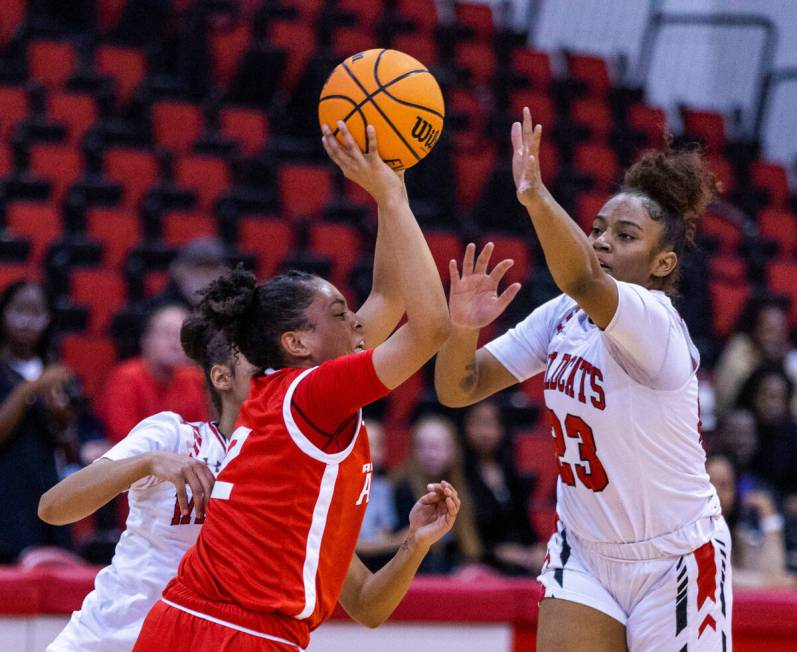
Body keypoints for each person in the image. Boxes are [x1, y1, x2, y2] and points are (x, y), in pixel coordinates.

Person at [133, 122, 456, 652]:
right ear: (298, 342)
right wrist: (392, 196)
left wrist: (389, 179)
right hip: (232, 632)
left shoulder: (290, 400)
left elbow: (390, 293)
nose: (357, 321)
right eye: (338, 312)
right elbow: (431, 329)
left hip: (219, 627)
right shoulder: (309, 395)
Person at [434, 108, 730, 651]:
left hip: (676, 555)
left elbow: (580, 274)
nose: (600, 241)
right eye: (596, 230)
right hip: (586, 550)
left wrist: (534, 196)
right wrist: (461, 328)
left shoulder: (655, 320)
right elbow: (460, 387)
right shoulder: (563, 317)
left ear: (663, 263)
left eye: (624, 235)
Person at [39, 327, 255, 651]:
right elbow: (53, 507)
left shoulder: (282, 462)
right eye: (261, 371)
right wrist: (145, 463)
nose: (275, 382)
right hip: (111, 638)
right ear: (223, 378)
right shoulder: (173, 435)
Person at [0, 281, 85, 562]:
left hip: (47, 487)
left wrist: (61, 417)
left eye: (36, 312)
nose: (26, 321)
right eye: (18, 311)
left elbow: (72, 451)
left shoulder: (57, 371)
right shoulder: (38, 377)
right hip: (7, 491)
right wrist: (30, 388)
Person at [98, 303, 210, 444]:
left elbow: (201, 436)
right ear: (146, 339)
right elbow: (124, 439)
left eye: (181, 336)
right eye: (167, 334)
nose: (175, 343)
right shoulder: (126, 377)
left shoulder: (193, 378)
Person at [462, 399, 546, 576]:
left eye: (492, 424)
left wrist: (537, 548)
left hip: (520, 562)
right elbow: (463, 536)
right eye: (478, 424)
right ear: (464, 427)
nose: (485, 433)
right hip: (477, 564)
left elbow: (525, 524)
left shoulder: (510, 473)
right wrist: (497, 552)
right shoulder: (458, 475)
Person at [393, 413, 483, 574]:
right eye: (423, 447)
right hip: (413, 576)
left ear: (454, 449)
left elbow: (471, 547)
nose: (430, 454)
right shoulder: (400, 488)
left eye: (437, 446)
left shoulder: (467, 487)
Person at [706, 454, 795, 588]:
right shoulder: (693, 535)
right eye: (709, 484)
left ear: (736, 493)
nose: (715, 492)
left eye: (724, 485)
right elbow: (720, 577)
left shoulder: (737, 534)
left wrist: (769, 516)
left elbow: (774, 572)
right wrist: (769, 583)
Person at [713, 294, 797, 417]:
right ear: (755, 329)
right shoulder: (739, 348)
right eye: (769, 330)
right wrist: (758, 361)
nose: (775, 338)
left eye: (781, 331)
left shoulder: (791, 360)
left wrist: (785, 366)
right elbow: (724, 403)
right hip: (740, 426)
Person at [356, 419, 403, 571]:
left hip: (378, 565)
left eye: (377, 445)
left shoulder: (385, 488)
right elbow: (351, 546)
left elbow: (385, 532)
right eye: (365, 444)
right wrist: (405, 540)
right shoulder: (337, 488)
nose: (371, 451)